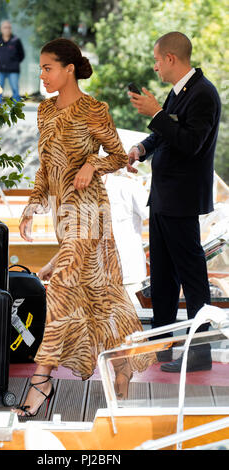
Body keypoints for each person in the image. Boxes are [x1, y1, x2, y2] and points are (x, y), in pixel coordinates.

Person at [13, 38, 156, 417]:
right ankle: (124, 362)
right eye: (41, 68)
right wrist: (31, 208)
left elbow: (118, 155)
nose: (42, 75)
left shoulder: (93, 109)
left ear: (69, 69)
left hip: (91, 213)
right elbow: (46, 167)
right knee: (99, 296)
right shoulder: (44, 111)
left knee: (59, 286)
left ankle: (41, 382)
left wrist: (92, 163)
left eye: (48, 68)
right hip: (64, 216)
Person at [127, 32, 221, 372]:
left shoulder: (203, 94)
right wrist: (141, 149)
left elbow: (190, 143)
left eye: (156, 60)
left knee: (192, 276)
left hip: (182, 198)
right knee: (163, 276)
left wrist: (155, 113)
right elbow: (164, 134)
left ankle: (199, 352)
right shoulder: (179, 91)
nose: (154, 67)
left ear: (170, 58)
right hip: (164, 197)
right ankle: (161, 346)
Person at [103, 171, 148, 287]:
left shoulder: (129, 185)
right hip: (95, 280)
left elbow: (153, 217)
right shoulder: (80, 192)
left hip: (129, 277)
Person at [0, 20, 25, 104]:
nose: (7, 29)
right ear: (1, 29)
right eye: (5, 27)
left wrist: (14, 63)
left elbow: (22, 55)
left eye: (9, 27)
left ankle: (16, 109)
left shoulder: (16, 40)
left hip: (13, 70)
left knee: (15, 90)